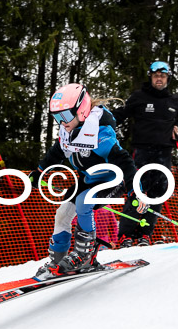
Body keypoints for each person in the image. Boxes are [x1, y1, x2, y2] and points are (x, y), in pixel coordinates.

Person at [28, 83, 146, 280]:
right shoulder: (68, 131)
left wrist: (136, 190)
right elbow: (56, 153)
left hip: (111, 179)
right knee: (62, 213)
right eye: (57, 117)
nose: (61, 122)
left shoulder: (100, 133)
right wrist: (39, 172)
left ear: (81, 111)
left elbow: (125, 161)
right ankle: (58, 261)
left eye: (65, 116)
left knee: (84, 202)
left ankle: (85, 256)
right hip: (89, 178)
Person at [112, 61, 178, 247]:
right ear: (150, 77)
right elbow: (121, 114)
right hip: (142, 152)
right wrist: (100, 121)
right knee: (137, 191)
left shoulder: (174, 101)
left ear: (168, 78)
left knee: (158, 193)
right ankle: (126, 235)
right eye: (155, 75)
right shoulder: (139, 97)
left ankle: (144, 234)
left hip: (164, 153)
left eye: (163, 76)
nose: (159, 78)